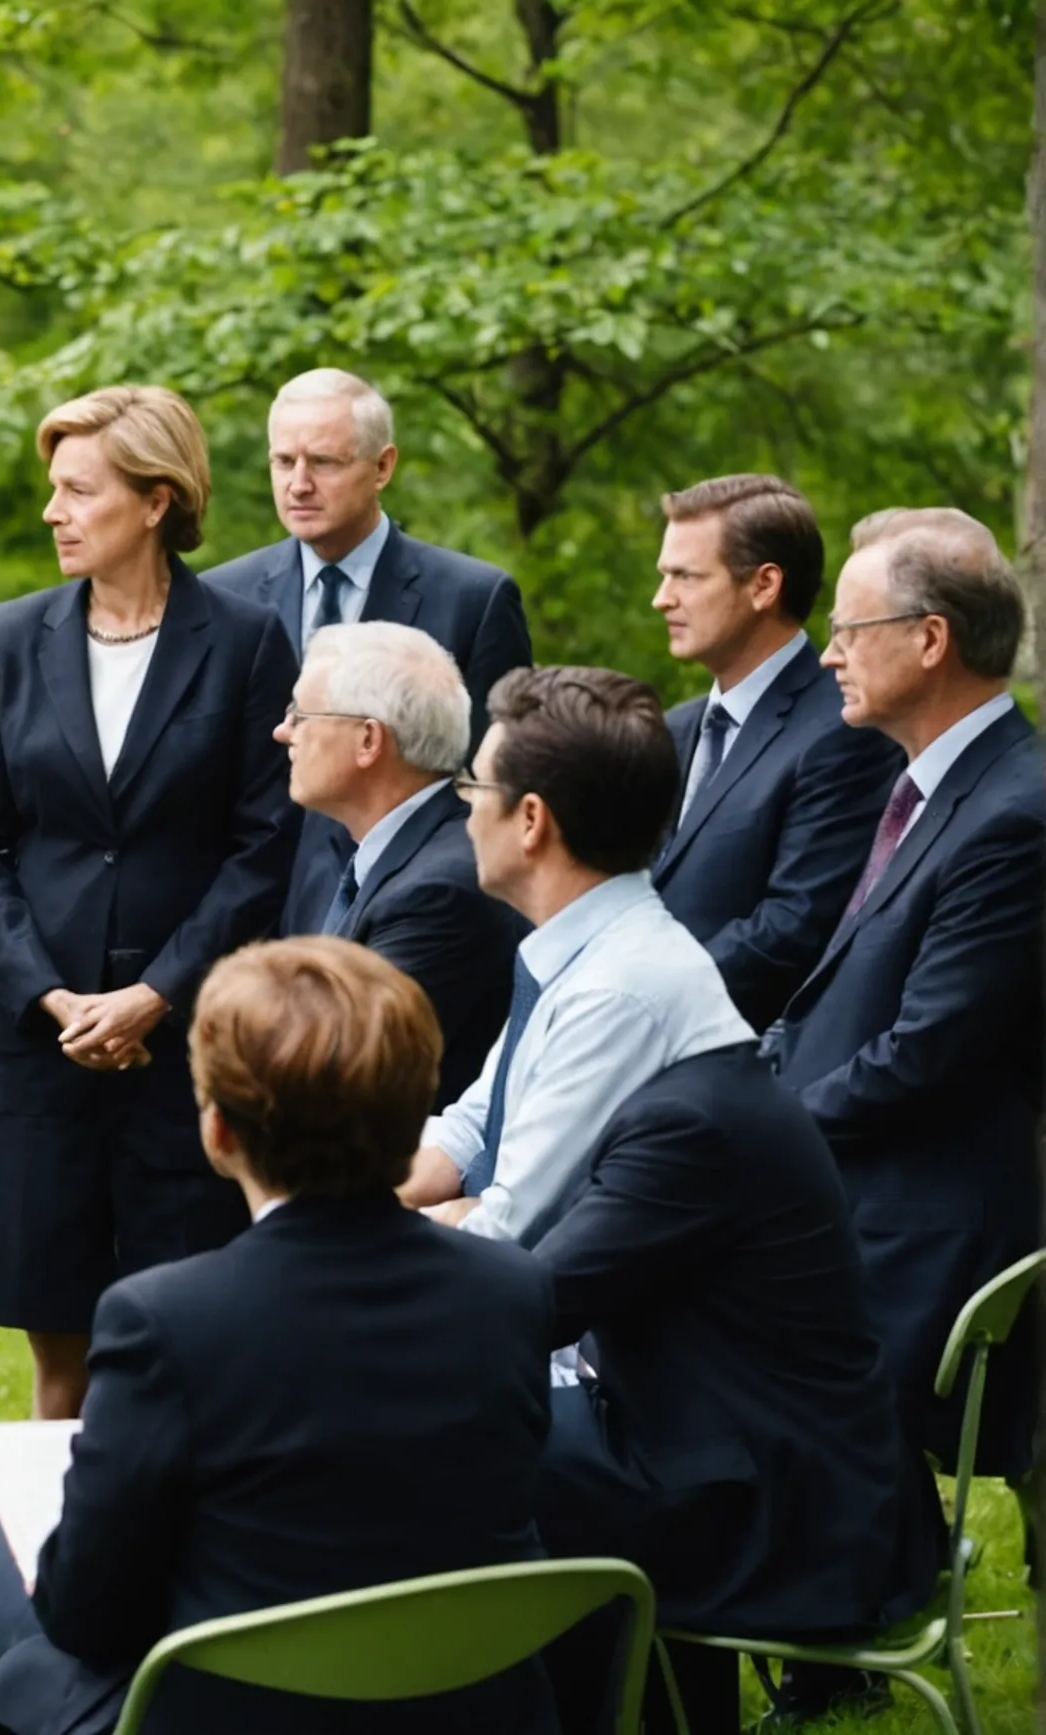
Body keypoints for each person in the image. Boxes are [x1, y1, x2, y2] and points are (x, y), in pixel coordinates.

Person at [0, 939, 559, 1735]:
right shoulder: (511, 1290)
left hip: (223, 1703)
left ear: (218, 1133)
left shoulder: (170, 1320)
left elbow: (86, 1615)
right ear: (414, 1116)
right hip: (458, 1704)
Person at [0, 385, 295, 1423]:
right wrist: (51, 996)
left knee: (184, 1335)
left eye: (77, 490)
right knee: (58, 1351)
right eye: (52, 489)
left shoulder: (244, 641)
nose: (54, 511)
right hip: (35, 1047)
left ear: (154, 500)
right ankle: (56, 1571)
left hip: (181, 1050)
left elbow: (263, 845)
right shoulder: (12, 637)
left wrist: (153, 994)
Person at [533, 1047, 946, 1732]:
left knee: (482, 1444)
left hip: (795, 1518)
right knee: (519, 1428)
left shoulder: (685, 1124)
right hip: (799, 1461)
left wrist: (438, 1256)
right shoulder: (720, 1090)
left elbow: (540, 1298)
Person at [768, 507, 1044, 1485]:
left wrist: (763, 1128)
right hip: (854, 1204)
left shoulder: (1013, 813)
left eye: (849, 631)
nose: (830, 656)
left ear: (931, 640)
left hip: (911, 1241)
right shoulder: (929, 788)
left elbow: (928, 1050)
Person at [399, 668, 750, 1246]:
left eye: (476, 787)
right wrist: (348, 1198)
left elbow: (503, 1232)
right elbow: (473, 1129)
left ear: (531, 820)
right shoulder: (580, 950)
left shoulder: (618, 992)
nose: (465, 809)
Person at [202, 368, 534, 920]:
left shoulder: (473, 599)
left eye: (324, 462)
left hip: (407, 913)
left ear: (382, 466)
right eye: (283, 462)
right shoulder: (221, 597)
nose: (298, 484)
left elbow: (495, 782)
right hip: (243, 921)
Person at [647, 475, 897, 1029]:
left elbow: (795, 925)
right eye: (665, 575)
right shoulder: (676, 727)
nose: (661, 597)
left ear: (764, 586)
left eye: (685, 576)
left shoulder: (847, 730)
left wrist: (641, 994)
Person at [273, 622, 525, 1108]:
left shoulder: (441, 890)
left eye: (300, 715)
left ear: (369, 740)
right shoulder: (388, 855)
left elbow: (338, 1063)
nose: (283, 732)